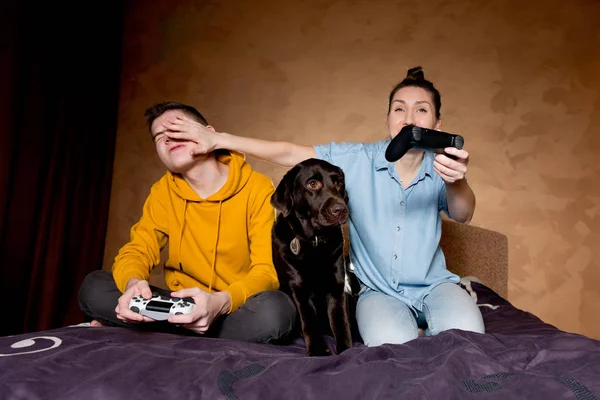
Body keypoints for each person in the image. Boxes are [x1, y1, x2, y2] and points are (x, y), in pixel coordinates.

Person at [154, 67, 486, 346]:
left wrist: (457, 180)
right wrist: (219, 140)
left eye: (421, 109)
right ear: (387, 118)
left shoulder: (442, 167)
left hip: (435, 284)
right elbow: (288, 153)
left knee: (468, 340)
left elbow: (463, 213)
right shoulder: (357, 160)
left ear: (437, 124)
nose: (409, 116)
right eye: (399, 108)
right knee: (390, 350)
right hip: (378, 292)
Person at [78, 101, 296, 344]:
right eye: (160, 136)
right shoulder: (162, 191)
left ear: (209, 134)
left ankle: (167, 333)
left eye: (178, 128)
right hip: (177, 307)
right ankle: (190, 332)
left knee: (276, 311)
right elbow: (138, 250)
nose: (169, 138)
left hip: (231, 307)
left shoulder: (258, 188)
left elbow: (266, 271)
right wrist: (133, 284)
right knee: (95, 286)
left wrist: (219, 303)